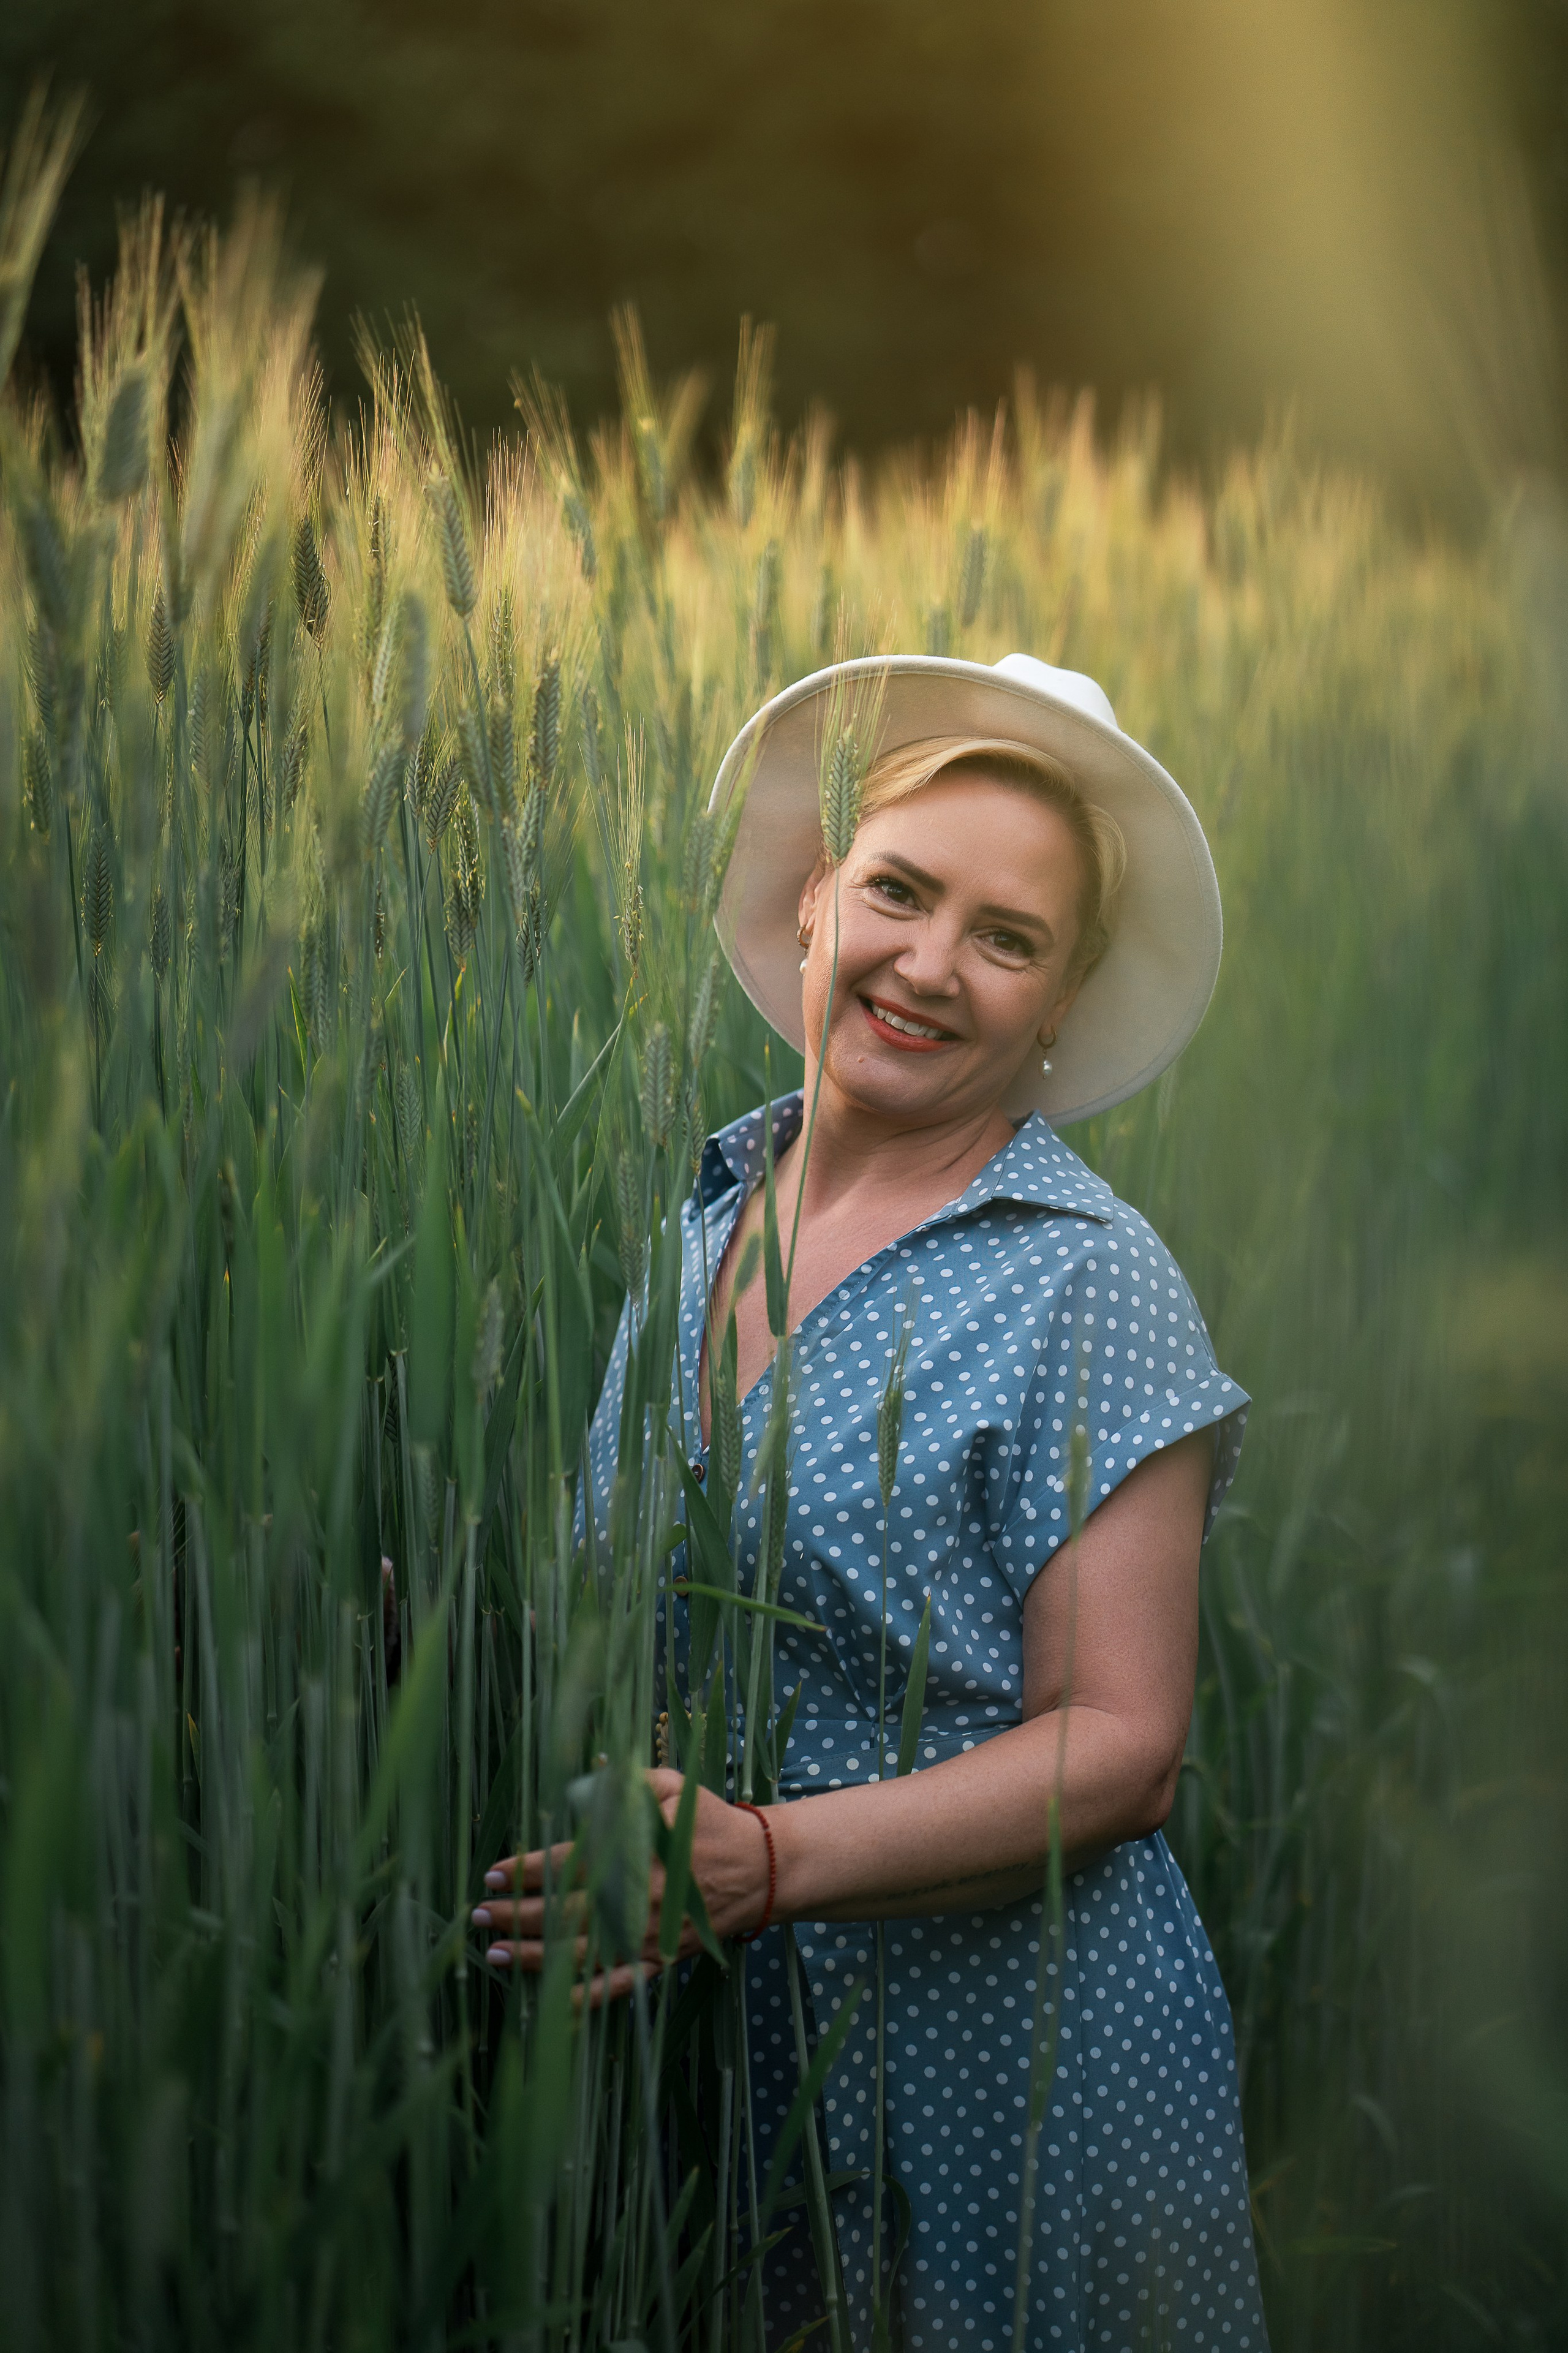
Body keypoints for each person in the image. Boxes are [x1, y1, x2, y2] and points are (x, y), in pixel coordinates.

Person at [477, 653, 1269, 2351]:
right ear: (813, 893)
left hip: (1015, 2071)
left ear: (1059, 1005)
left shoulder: (1088, 1278)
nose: (930, 965)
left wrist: (767, 1860)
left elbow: (1125, 1748)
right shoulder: (701, 1228)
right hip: (732, 2068)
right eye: (901, 890)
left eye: (1009, 937)